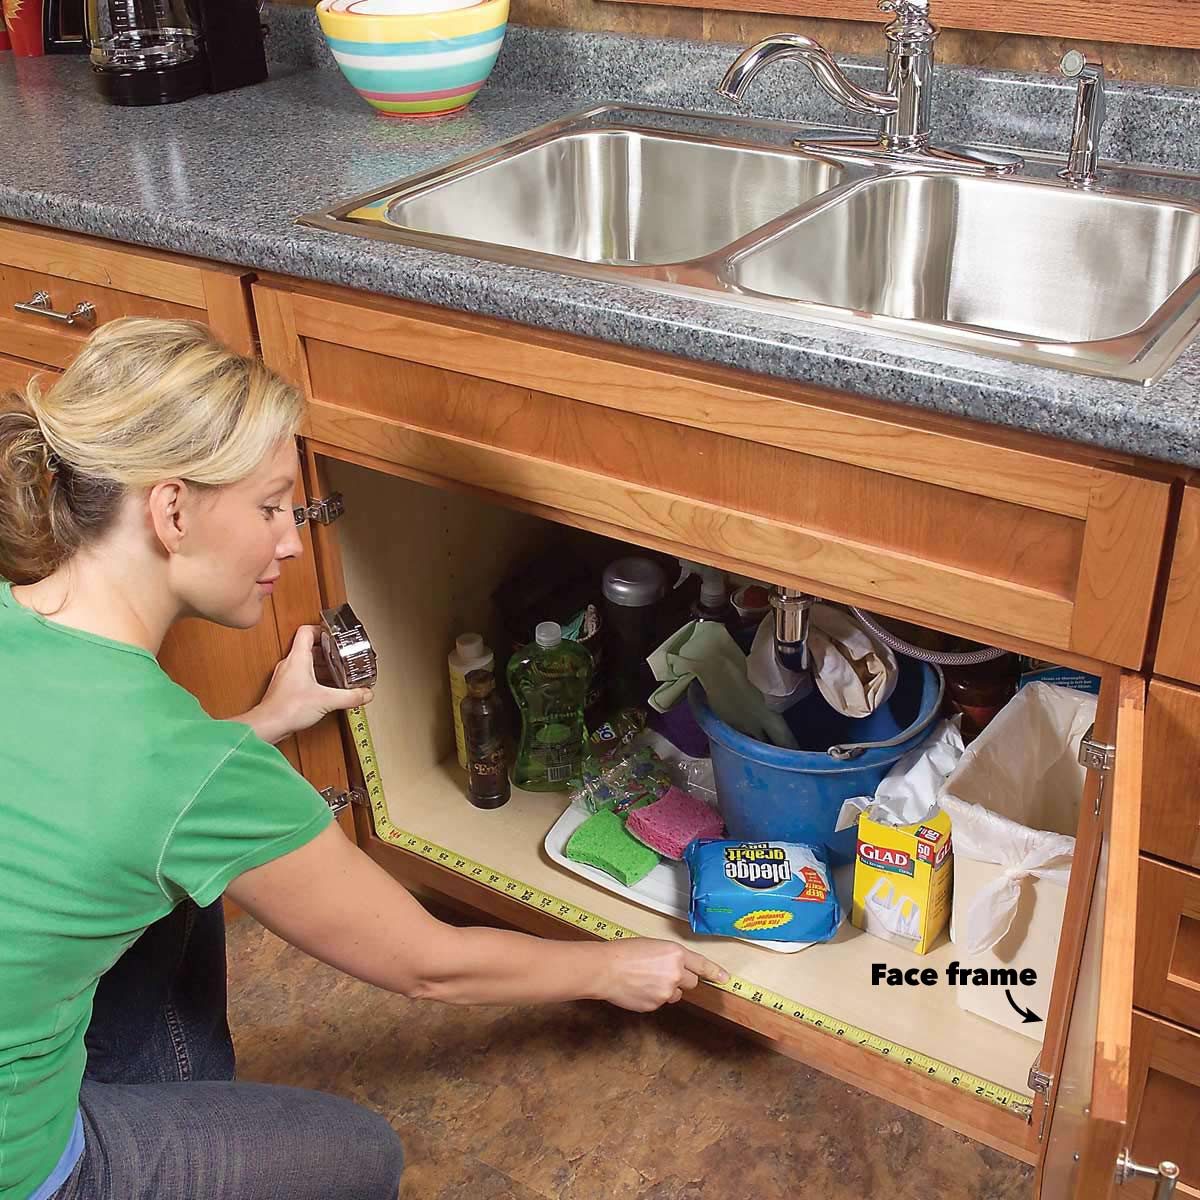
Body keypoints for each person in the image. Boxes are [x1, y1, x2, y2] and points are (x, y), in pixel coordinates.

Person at [0, 318, 727, 1200]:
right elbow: (428, 964)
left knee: (171, 887)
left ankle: (153, 1098)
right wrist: (612, 966)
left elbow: (95, 786)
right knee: (359, 1158)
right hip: (24, 1167)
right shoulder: (182, 766)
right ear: (172, 509)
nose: (290, 541)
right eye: (270, 506)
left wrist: (265, 721)